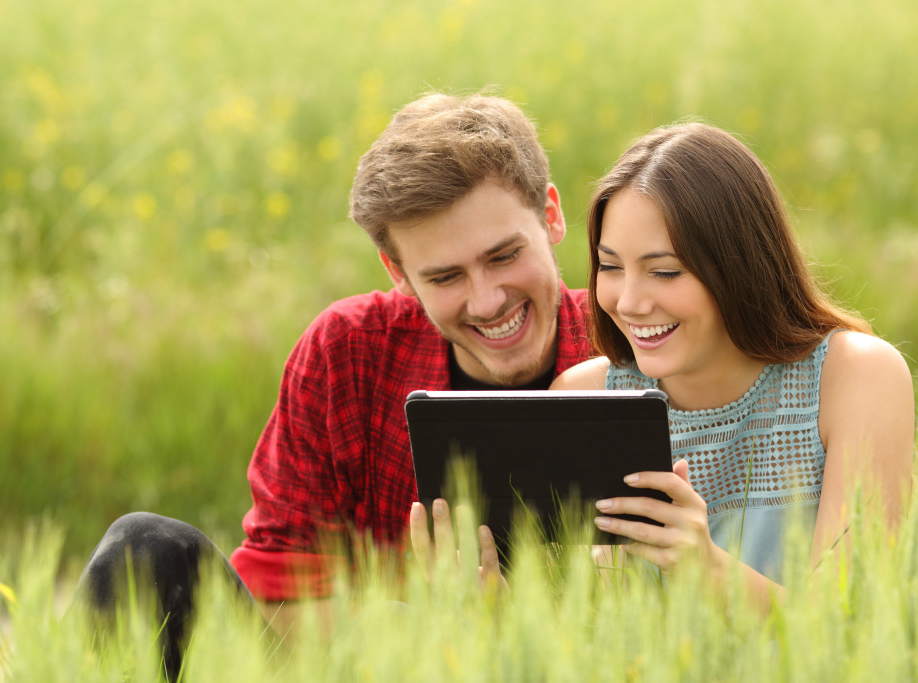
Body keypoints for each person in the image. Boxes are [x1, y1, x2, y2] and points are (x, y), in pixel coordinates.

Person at [74, 92, 591, 672]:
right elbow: (275, 594)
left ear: (550, 215)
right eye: (445, 276)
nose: (487, 299)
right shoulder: (346, 352)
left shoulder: (637, 343)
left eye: (503, 256)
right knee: (141, 550)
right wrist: (424, 626)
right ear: (398, 272)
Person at [550, 121, 913, 610]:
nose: (629, 302)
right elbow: (576, 632)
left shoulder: (855, 378)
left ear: (740, 268)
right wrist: (492, 592)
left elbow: (853, 624)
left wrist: (704, 566)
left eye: (664, 272)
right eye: (610, 267)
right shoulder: (584, 401)